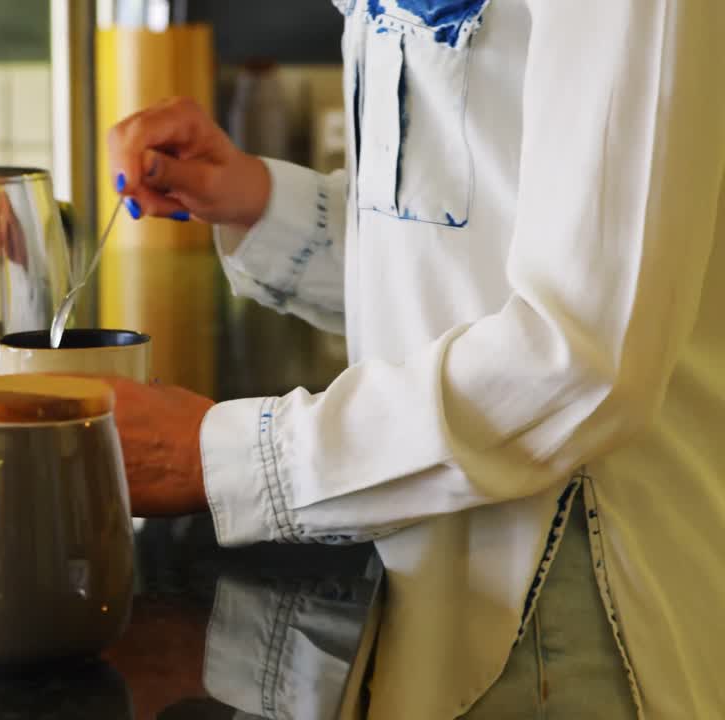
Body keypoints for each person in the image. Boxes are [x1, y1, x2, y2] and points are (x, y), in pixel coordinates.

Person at [103, 1, 725, 717]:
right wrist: (262, 204)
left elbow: (581, 359)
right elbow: (467, 258)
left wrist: (224, 458)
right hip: (441, 565)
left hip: (569, 593)